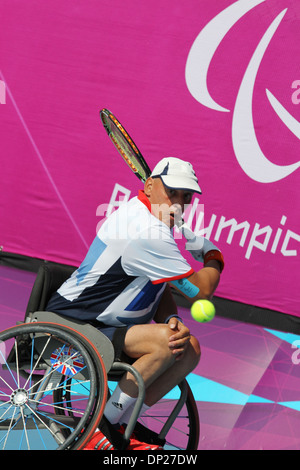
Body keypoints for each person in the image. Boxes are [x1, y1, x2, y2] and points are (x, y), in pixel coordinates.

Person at [47, 157, 224, 450]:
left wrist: (170, 320)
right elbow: (201, 291)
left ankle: (123, 422)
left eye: (187, 197)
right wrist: (213, 255)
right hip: (77, 326)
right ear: (150, 186)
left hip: (107, 328)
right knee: (168, 343)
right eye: (173, 193)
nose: (179, 204)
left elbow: (158, 284)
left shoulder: (152, 218)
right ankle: (99, 428)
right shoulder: (147, 230)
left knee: (188, 348)